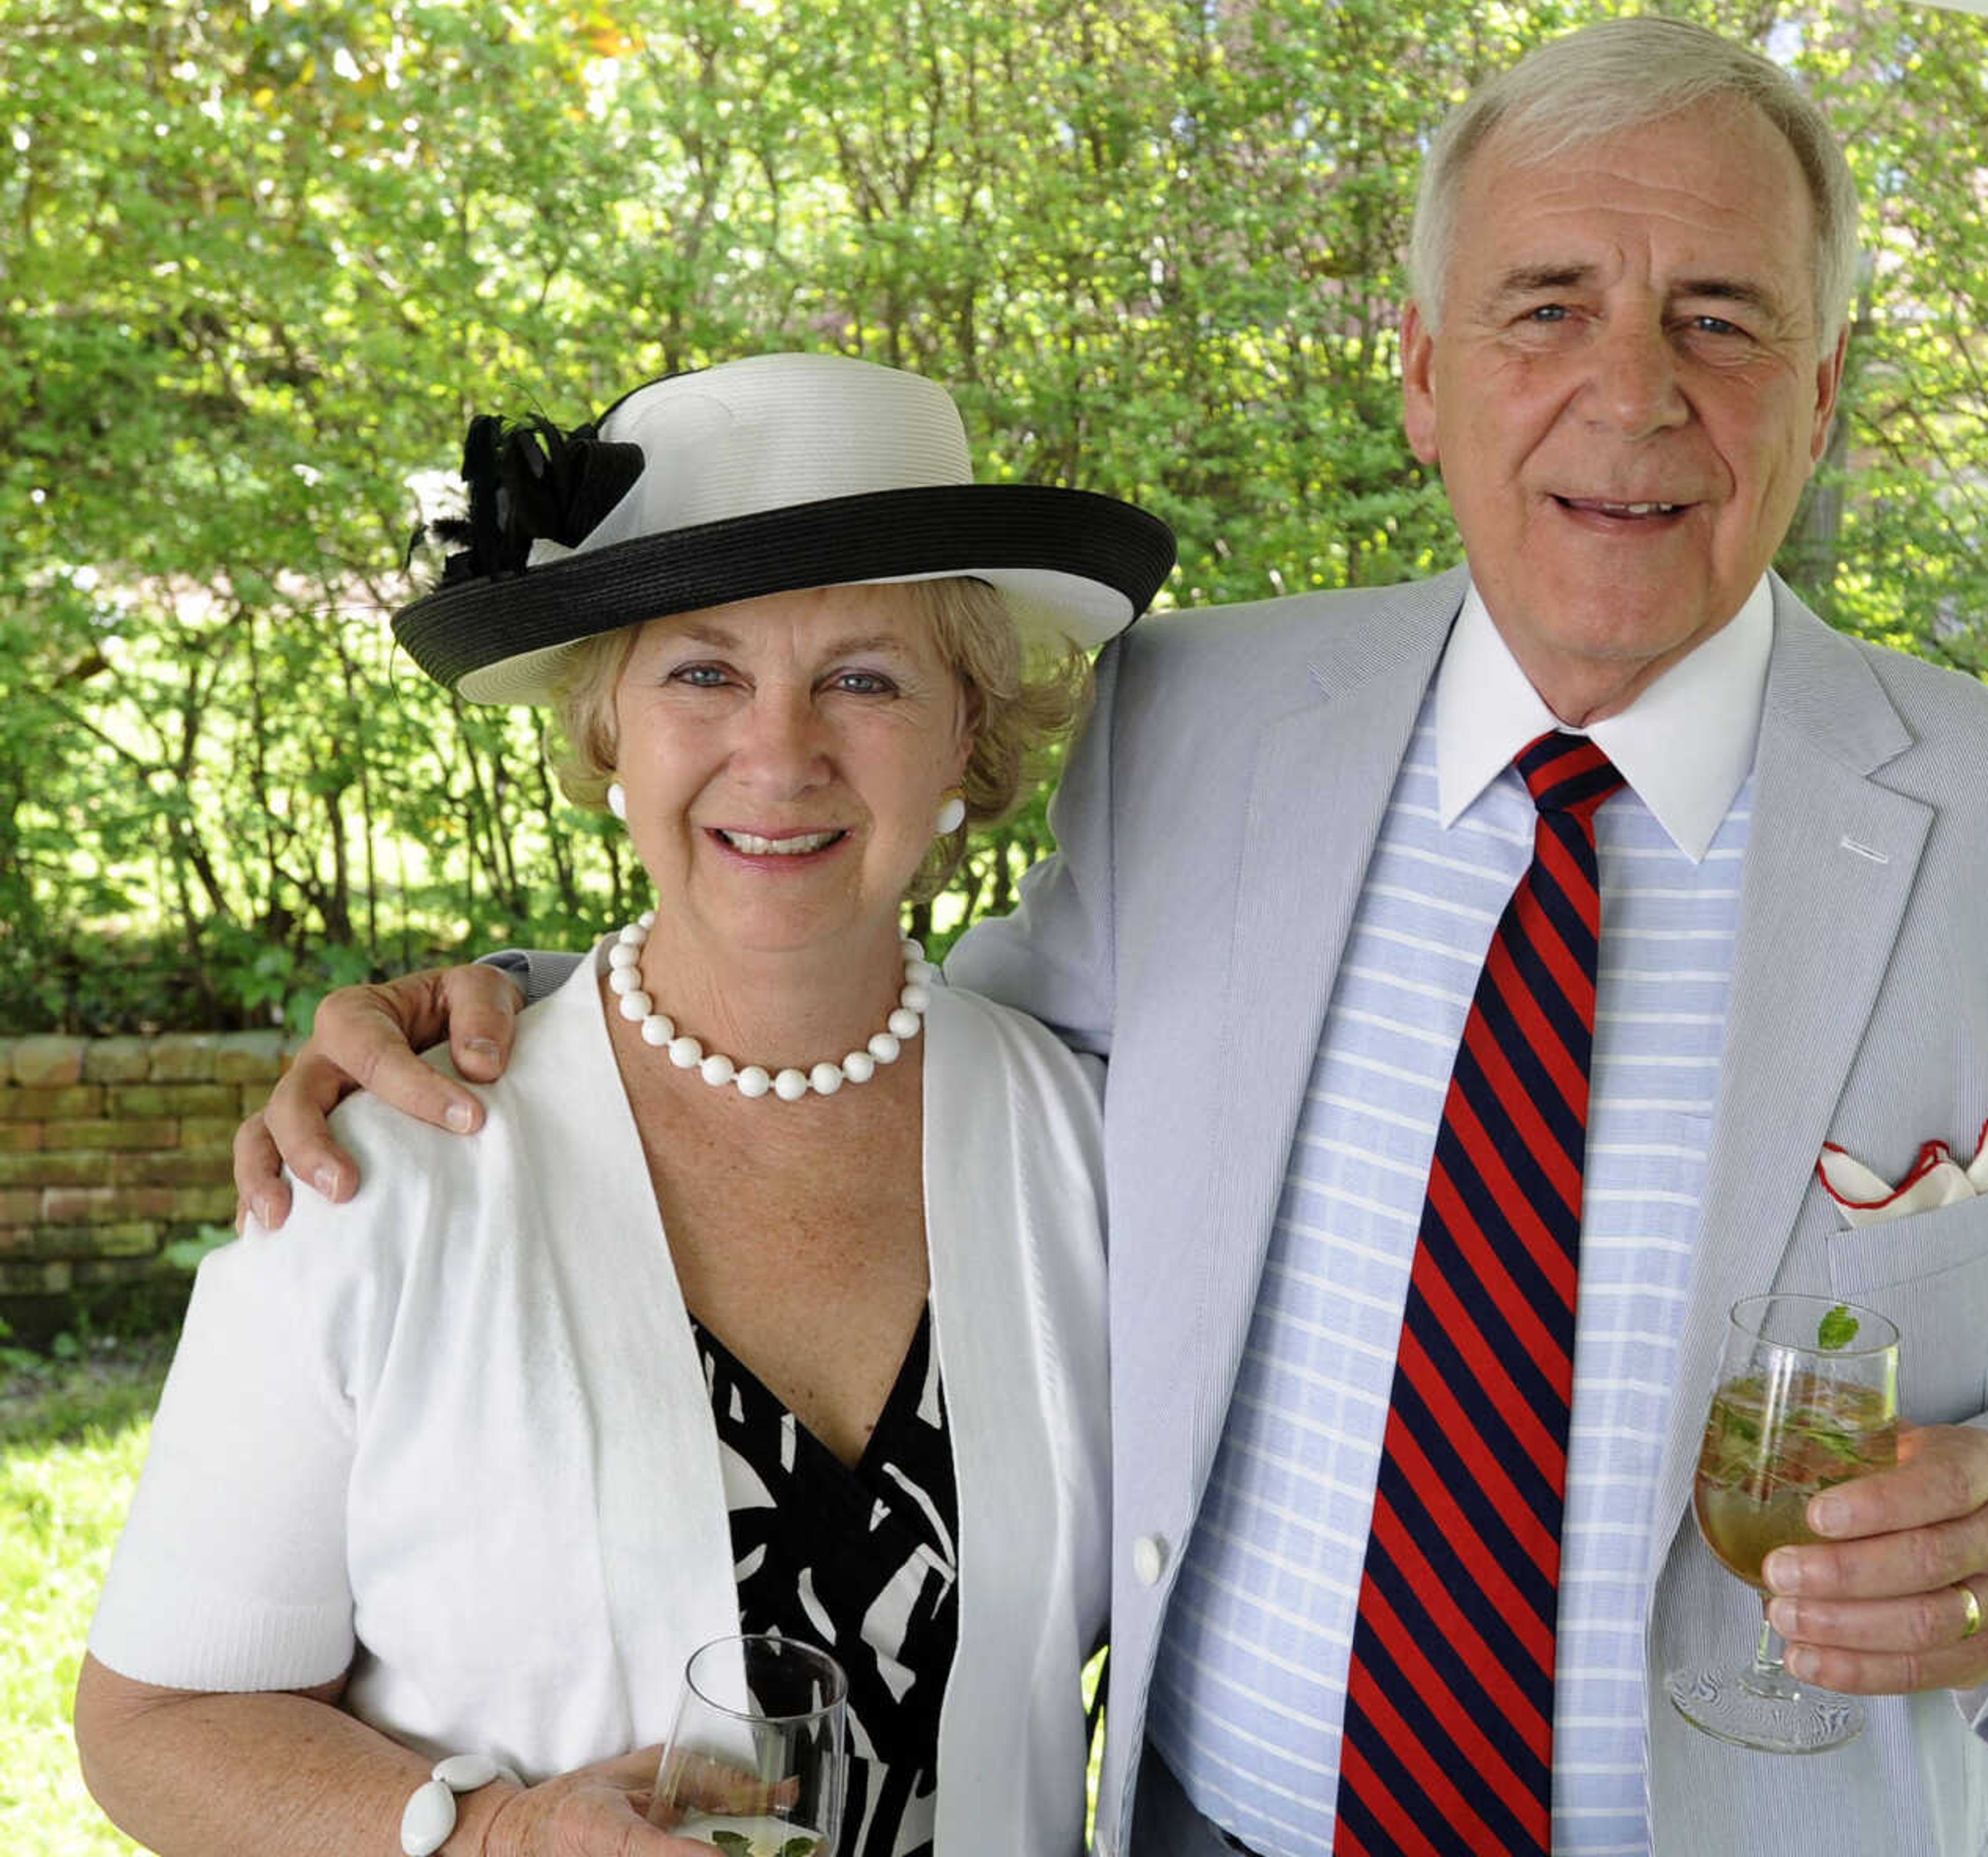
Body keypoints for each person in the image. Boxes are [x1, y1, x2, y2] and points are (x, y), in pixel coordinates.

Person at [231, 17, 1988, 1857]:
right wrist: (514, 1016)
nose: (1633, 394)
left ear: (1823, 394)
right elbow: (867, 1021)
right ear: (1416, 371)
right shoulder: (1193, 726)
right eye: (1545, 306)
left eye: (1725, 320)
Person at [77, 352, 1175, 1857]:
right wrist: (488, 1837)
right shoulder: (380, 1169)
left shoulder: (1100, 1152)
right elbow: (157, 1724)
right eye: (703, 671)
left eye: (865, 676)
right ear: (609, 733)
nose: (779, 754)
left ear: (969, 743)